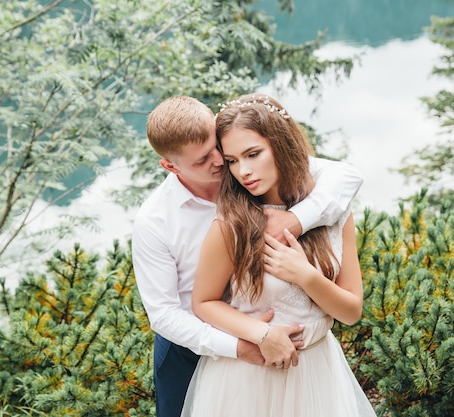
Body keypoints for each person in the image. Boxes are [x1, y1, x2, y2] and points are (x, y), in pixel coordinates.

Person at [132, 95, 364, 417]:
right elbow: (166, 313)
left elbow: (347, 176)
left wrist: (297, 222)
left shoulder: (252, 165)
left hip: (311, 362)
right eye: (204, 160)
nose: (221, 164)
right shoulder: (157, 221)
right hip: (192, 347)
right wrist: (245, 345)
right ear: (171, 166)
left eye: (219, 150)